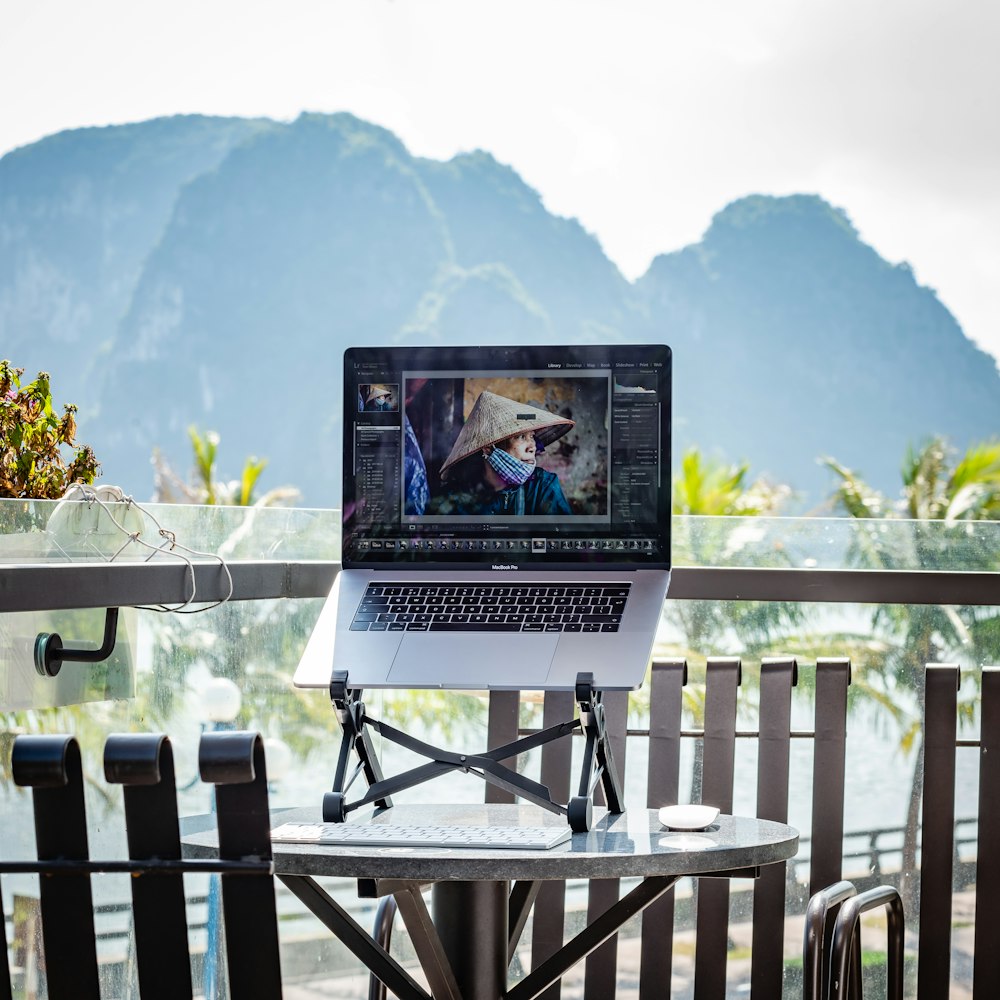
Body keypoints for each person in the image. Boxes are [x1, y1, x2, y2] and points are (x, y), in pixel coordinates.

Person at [430, 390, 574, 515]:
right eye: (521, 437)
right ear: (488, 447)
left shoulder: (542, 486)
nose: (532, 447)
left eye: (532, 436)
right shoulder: (456, 498)